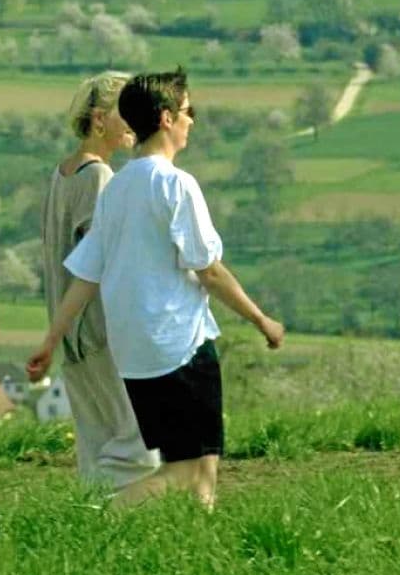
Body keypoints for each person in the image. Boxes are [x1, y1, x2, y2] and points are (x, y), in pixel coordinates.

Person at [27, 68, 284, 509]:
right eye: (188, 112)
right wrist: (261, 319)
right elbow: (209, 271)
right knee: (188, 469)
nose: (192, 121)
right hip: (180, 344)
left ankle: (199, 543)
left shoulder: (117, 186)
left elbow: (86, 274)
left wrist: (51, 340)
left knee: (202, 467)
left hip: (135, 354)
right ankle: (102, 512)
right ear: (166, 118)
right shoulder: (175, 184)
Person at [41, 72, 160, 490]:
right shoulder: (98, 178)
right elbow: (102, 261)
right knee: (142, 442)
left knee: (95, 441)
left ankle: (93, 516)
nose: (131, 122)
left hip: (69, 330)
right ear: (98, 119)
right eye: (122, 113)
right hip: (100, 330)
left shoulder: (61, 175)